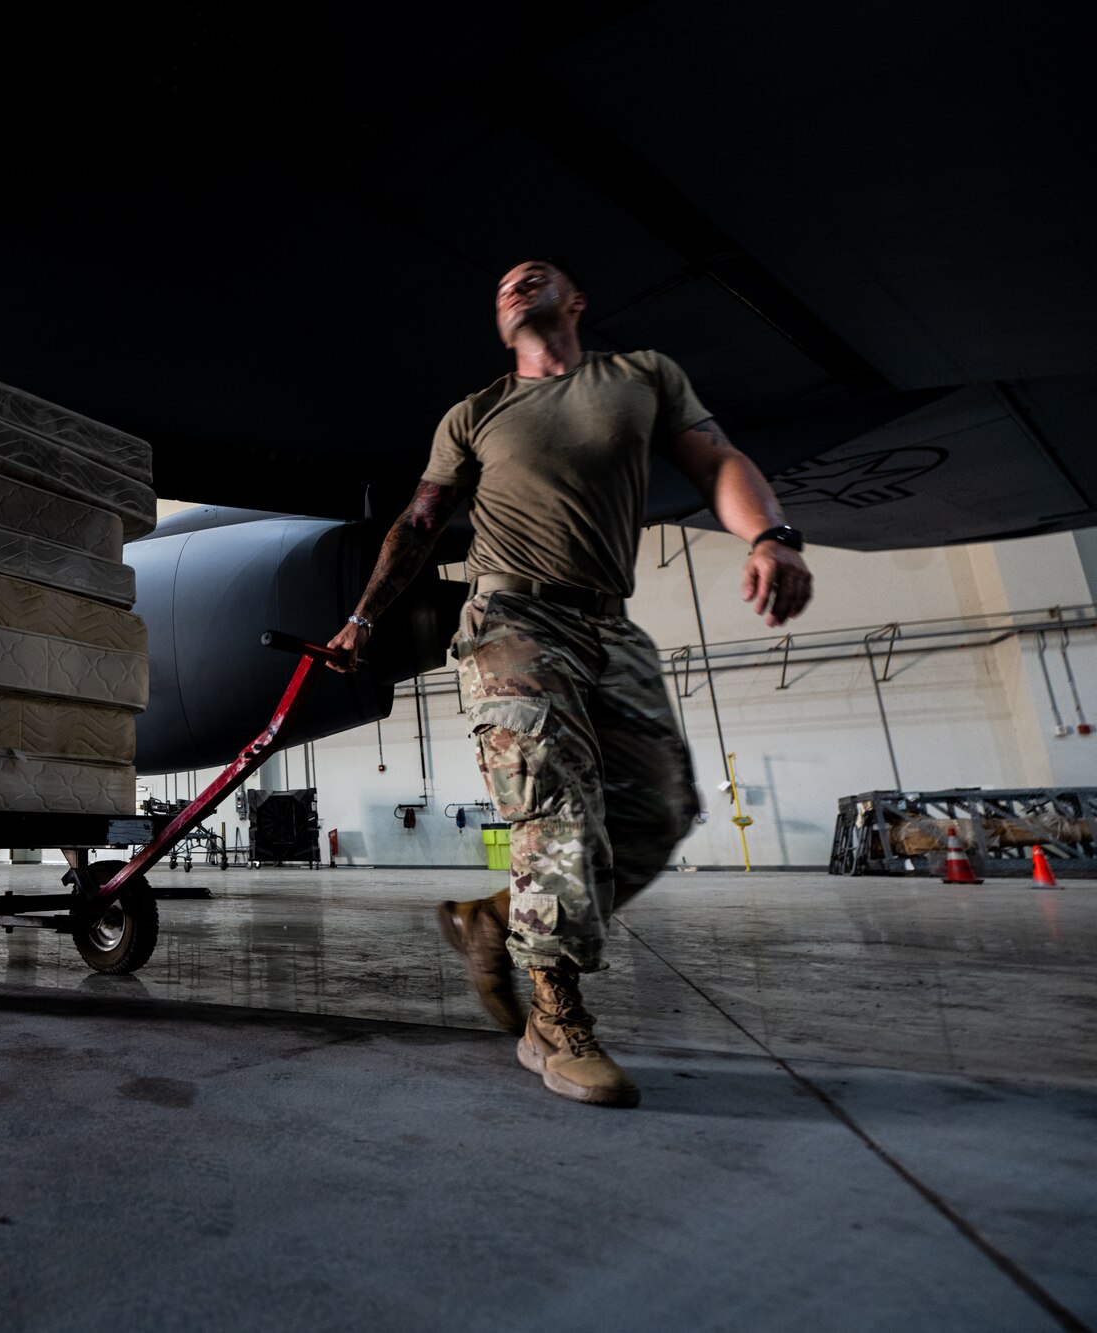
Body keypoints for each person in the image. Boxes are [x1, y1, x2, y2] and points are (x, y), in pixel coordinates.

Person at [327, 260, 813, 1108]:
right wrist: (362, 620)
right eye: (507, 283)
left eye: (539, 275)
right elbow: (418, 522)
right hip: (510, 618)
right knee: (555, 803)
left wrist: (770, 535)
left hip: (608, 623)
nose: (519, 283)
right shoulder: (474, 414)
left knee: (659, 812)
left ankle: (494, 919)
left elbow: (715, 460)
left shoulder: (641, 378)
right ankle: (555, 1017)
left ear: (576, 303)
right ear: (497, 318)